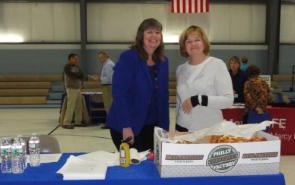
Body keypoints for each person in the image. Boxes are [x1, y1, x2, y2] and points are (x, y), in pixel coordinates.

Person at [106, 18, 169, 151]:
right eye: (149, 32)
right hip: (128, 126)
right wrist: (126, 126)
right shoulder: (128, 57)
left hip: (154, 126)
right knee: (132, 167)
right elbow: (119, 94)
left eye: (157, 32)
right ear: (141, 35)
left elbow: (163, 97)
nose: (154, 36)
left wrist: (165, 129)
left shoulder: (163, 61)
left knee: (150, 166)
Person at [175, 25, 233, 132]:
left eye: (197, 40)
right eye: (188, 41)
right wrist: (177, 127)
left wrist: (199, 99)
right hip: (183, 129)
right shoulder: (180, 69)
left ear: (204, 43)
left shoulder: (217, 65)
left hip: (209, 129)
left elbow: (228, 100)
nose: (193, 44)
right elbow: (180, 102)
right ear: (184, 46)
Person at [62, 53, 85, 129]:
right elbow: (74, 75)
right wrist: (79, 74)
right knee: (70, 106)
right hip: (71, 88)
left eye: (77, 59)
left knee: (79, 106)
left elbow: (81, 74)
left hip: (78, 88)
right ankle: (66, 122)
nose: (76, 60)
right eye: (75, 59)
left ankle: (78, 121)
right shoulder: (67, 67)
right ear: (70, 59)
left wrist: (79, 75)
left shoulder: (77, 66)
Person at [97, 51, 115, 129]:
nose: (99, 60)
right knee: (109, 105)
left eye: (100, 58)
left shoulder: (108, 65)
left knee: (109, 106)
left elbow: (109, 79)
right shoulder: (108, 64)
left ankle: (110, 123)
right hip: (108, 86)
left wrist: (99, 79)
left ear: (105, 57)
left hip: (108, 87)